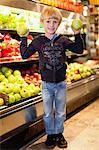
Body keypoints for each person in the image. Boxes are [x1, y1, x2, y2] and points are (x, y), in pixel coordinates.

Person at [18, 6, 84, 149]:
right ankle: (50, 134)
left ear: (58, 23)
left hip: (61, 83)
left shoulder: (63, 40)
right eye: (48, 21)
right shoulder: (38, 41)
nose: (51, 25)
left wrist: (78, 34)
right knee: (48, 113)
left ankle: (59, 134)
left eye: (55, 22)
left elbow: (79, 49)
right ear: (43, 22)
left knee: (60, 112)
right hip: (46, 84)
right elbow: (24, 54)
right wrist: (23, 38)